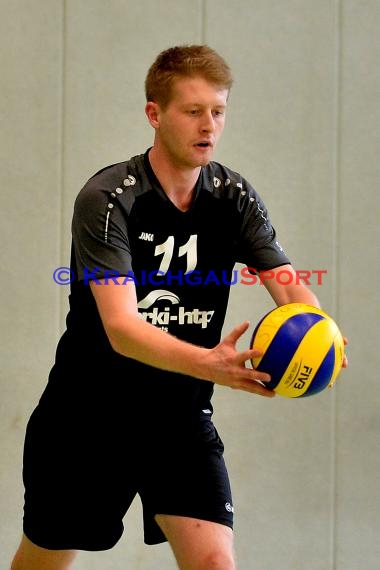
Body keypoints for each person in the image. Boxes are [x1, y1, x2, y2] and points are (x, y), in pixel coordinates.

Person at [11, 45, 347, 570]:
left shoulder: (233, 196)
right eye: (193, 111)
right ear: (155, 114)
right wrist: (212, 363)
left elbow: (291, 290)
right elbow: (122, 328)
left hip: (180, 421)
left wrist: (320, 332)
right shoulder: (109, 197)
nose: (208, 125)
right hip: (89, 420)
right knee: (43, 564)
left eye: (218, 111)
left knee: (215, 562)